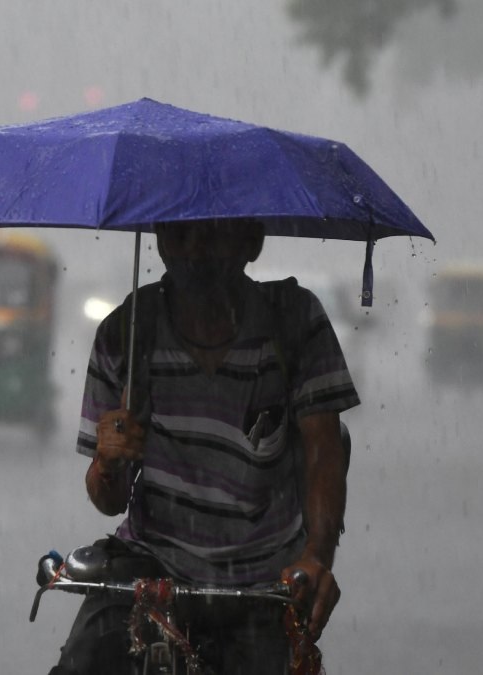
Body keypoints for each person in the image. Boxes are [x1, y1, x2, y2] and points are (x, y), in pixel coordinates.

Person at [49, 219, 359, 675]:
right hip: (150, 564)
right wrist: (108, 460)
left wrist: (316, 558)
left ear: (252, 242)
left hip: (263, 577)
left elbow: (324, 452)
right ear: (157, 240)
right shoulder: (124, 334)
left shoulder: (296, 322)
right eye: (180, 235)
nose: (194, 252)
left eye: (213, 235)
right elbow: (107, 500)